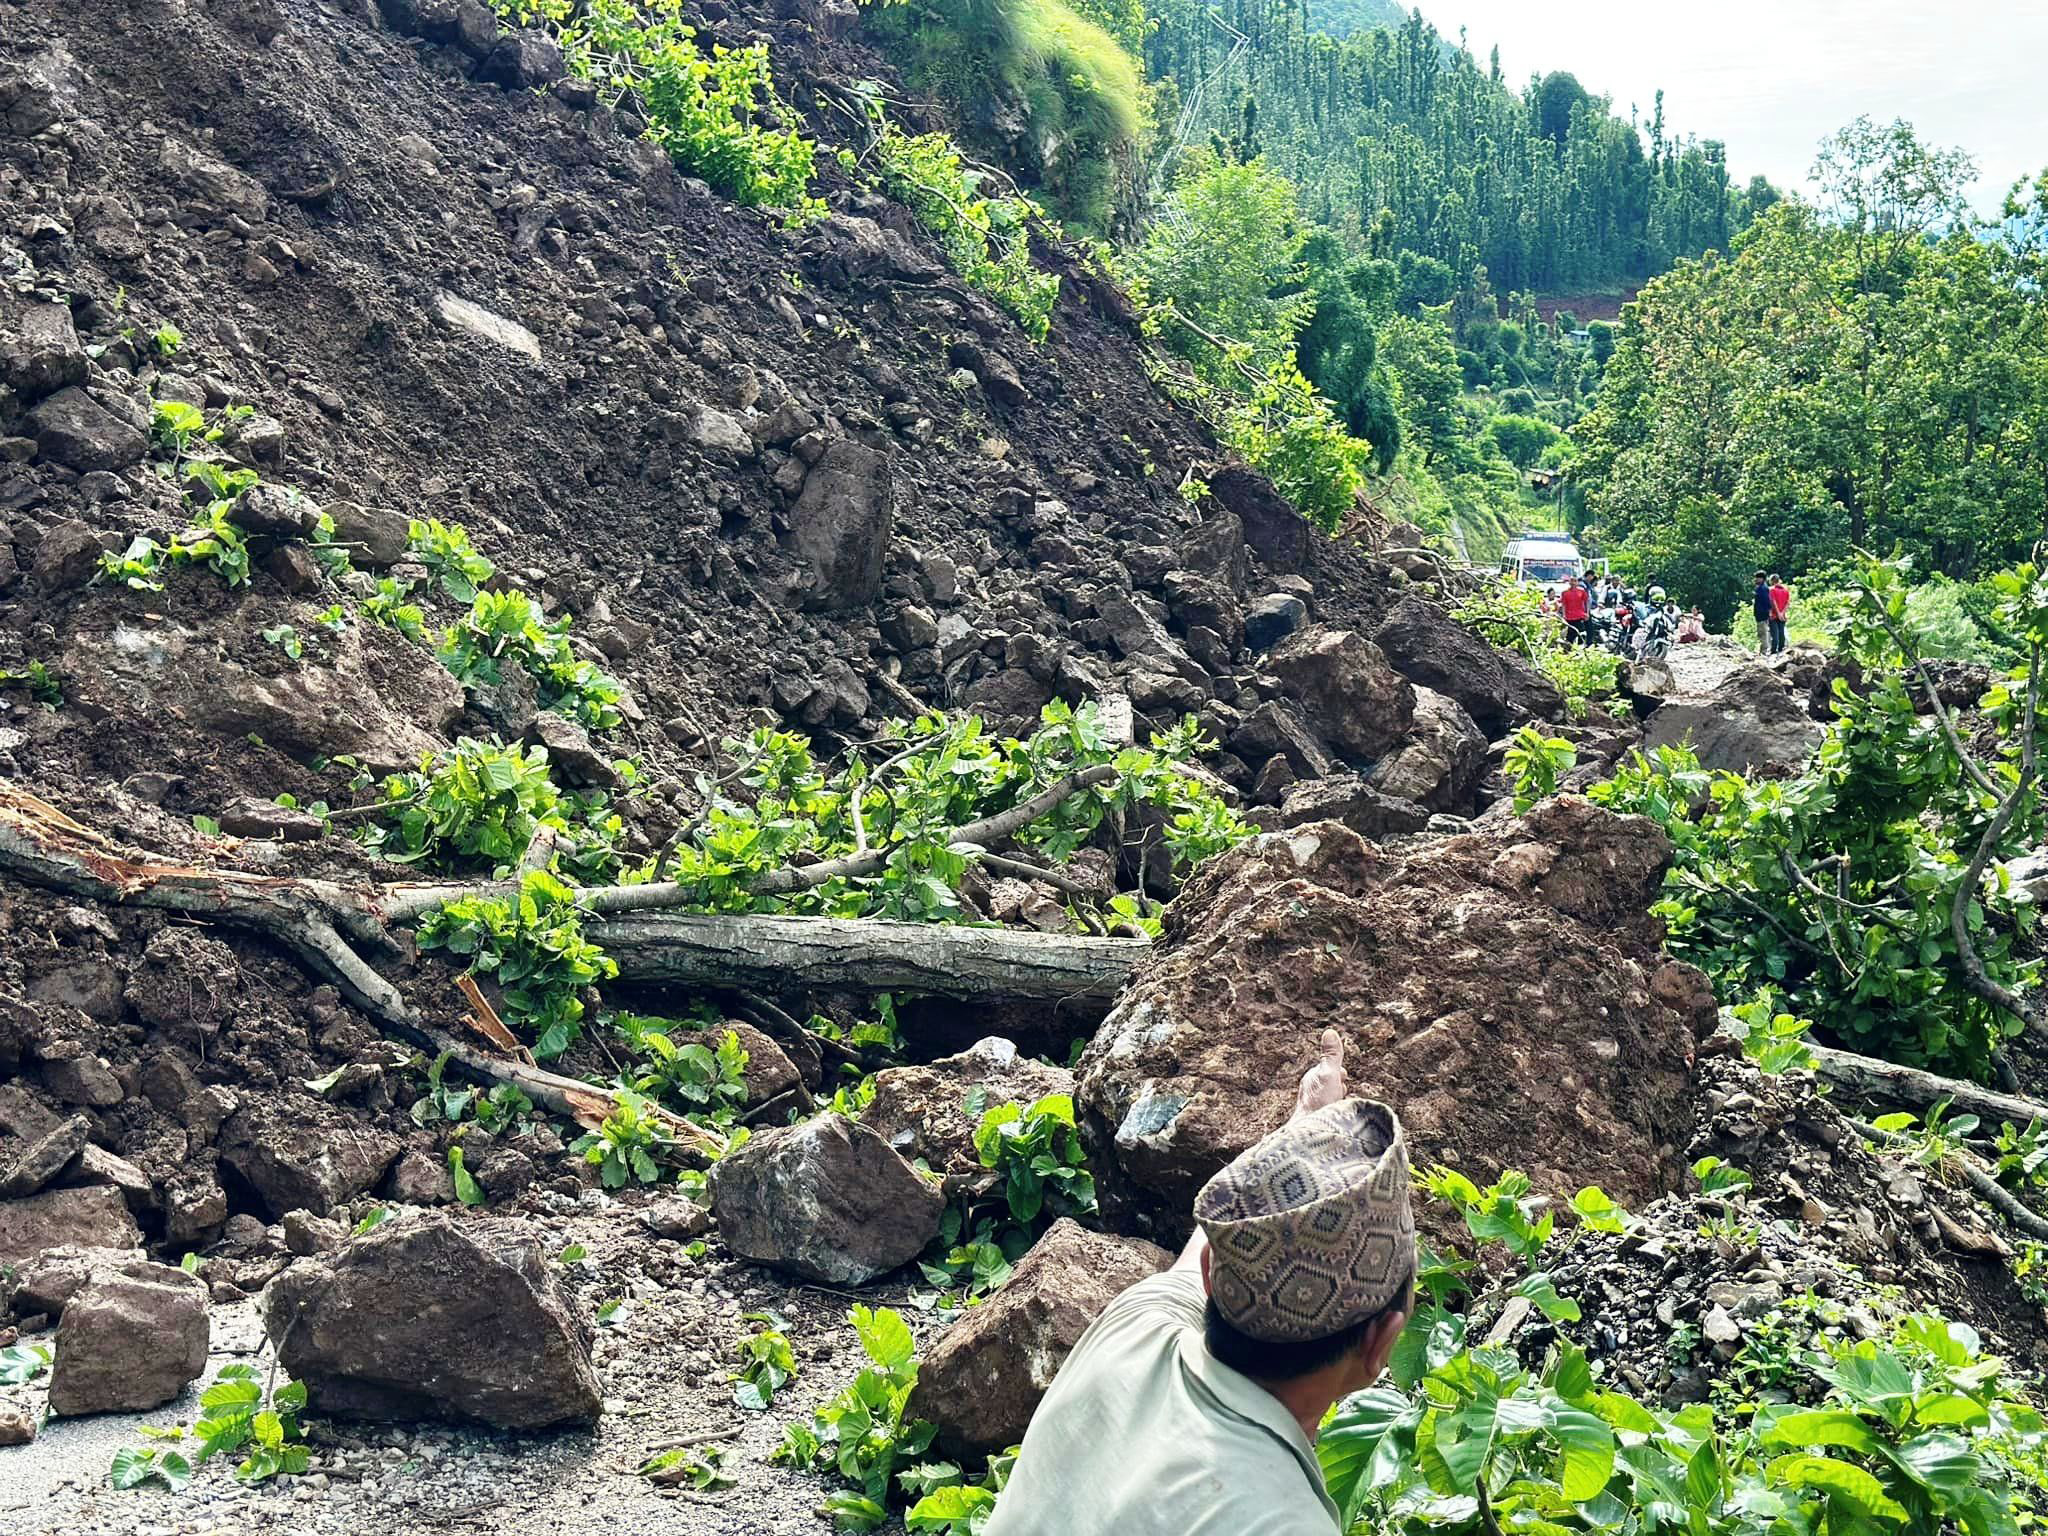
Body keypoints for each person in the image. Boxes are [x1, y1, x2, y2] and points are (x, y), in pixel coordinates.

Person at [987, 1032, 1416, 1536]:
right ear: (1381, 1344)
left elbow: (1206, 1251)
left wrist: (1303, 1126)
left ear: (1214, 1277)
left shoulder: (1139, 1325)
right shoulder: (1286, 1523)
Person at [1559, 575, 1590, 648]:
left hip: (1580, 616)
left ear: (1577, 582)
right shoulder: (1565, 592)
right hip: (1569, 617)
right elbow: (1564, 604)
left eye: (1575, 581)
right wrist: (1563, 615)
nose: (1573, 583)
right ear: (1569, 582)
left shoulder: (1581, 591)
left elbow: (1586, 602)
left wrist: (1587, 613)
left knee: (1581, 634)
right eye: (1571, 581)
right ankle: (1568, 651)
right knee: (1570, 635)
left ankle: (1581, 649)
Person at [1768, 574, 1792, 654]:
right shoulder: (1786, 590)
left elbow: (1773, 602)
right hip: (1783, 616)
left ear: (1771, 581)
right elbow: (1788, 603)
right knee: (1781, 633)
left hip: (1773, 615)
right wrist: (1782, 613)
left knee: (1775, 635)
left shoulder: (1771, 590)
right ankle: (1781, 650)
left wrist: (1778, 613)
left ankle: (1773, 651)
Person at [1751, 570, 1772, 653]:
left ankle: (1764, 650)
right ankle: (1765, 648)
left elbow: (1766, 601)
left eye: (1757, 578)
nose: (1755, 580)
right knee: (1763, 632)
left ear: (1762, 579)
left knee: (1762, 632)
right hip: (1762, 613)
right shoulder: (1762, 588)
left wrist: (1766, 611)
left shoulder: (1762, 589)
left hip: (1762, 614)